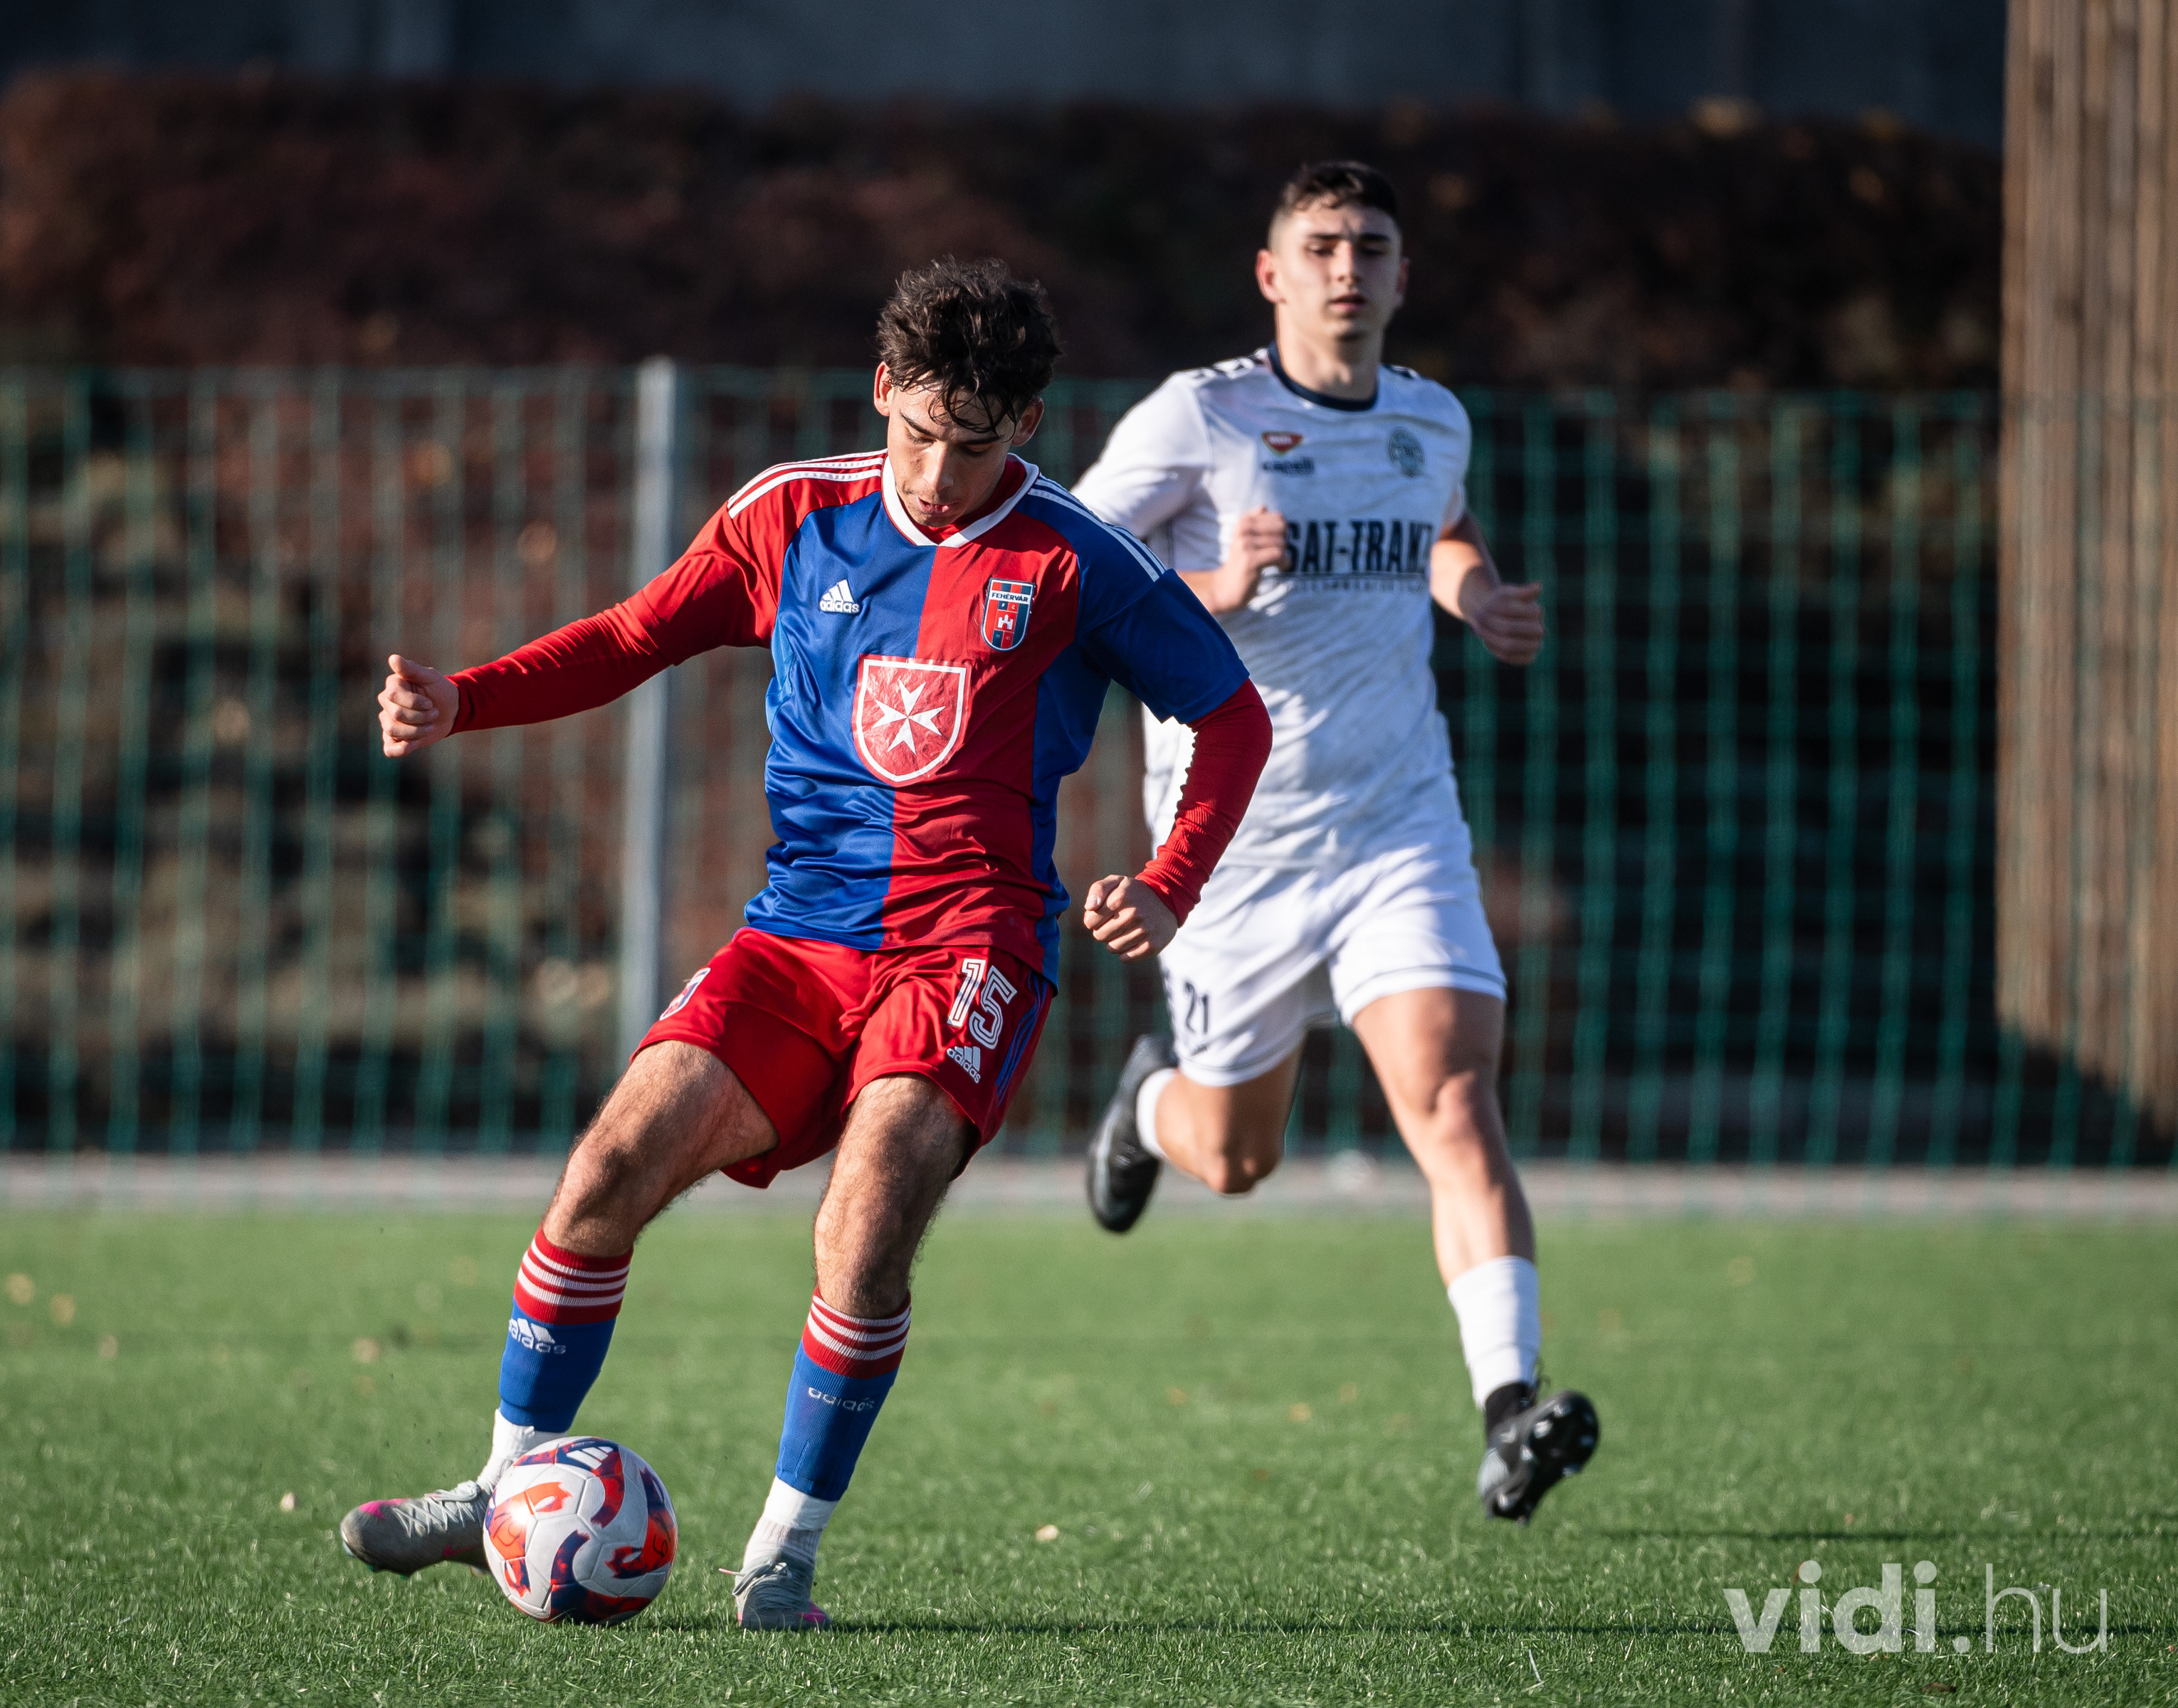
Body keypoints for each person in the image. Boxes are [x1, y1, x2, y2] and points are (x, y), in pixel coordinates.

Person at [342, 258, 1272, 1628]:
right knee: (605, 1170)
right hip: (798, 933)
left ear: (1025, 423)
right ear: (883, 387)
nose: (940, 475)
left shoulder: (1078, 558)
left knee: (868, 1213)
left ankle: (779, 1562)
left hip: (970, 947)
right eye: (921, 433)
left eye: (975, 446)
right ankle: (500, 1492)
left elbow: (1233, 716)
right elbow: (634, 636)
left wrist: (1172, 882)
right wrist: (462, 699)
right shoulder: (790, 514)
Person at [1070, 162, 1598, 1524]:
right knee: (1237, 1160)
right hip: (1231, 848)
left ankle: (1510, 1410)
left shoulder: (1432, 418)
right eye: (1320, 247)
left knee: (1454, 1098)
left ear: (1405, 275)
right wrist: (1217, 584)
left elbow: (1442, 527)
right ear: (1271, 273)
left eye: (1370, 246)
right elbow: (1065, 573)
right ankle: (1150, 1106)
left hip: (1395, 826)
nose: (1346, 269)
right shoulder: (1199, 416)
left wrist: (1474, 593)